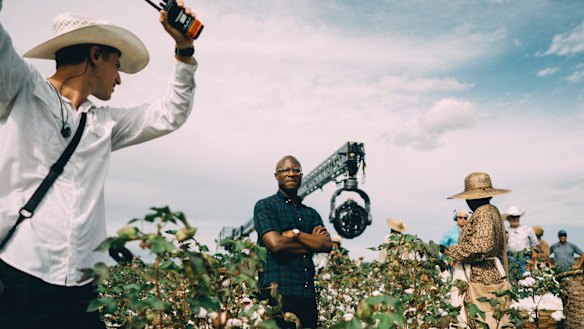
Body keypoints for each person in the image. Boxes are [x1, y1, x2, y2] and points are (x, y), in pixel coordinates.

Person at [0, 2, 199, 328]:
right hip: (21, 275)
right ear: (96, 55)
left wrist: (184, 47)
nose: (119, 78)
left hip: (83, 286)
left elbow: (169, 114)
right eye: (117, 64)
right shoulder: (21, 87)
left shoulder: (103, 124)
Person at [253, 155, 333, 329]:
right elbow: (276, 245)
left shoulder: (310, 213)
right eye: (285, 170)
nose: (291, 174)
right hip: (277, 295)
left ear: (301, 175)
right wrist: (311, 243)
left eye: (296, 170)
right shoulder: (266, 206)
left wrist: (295, 235)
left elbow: (326, 245)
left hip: (306, 295)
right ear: (276, 176)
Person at [445, 172, 511, 329]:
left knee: (482, 318)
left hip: (481, 275)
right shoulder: (492, 212)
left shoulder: (484, 213)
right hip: (490, 272)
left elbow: (482, 247)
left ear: (472, 198)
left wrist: (452, 251)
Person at [503, 206, 538, 278]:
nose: (516, 219)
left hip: (525, 259)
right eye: (513, 217)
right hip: (510, 259)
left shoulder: (527, 229)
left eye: (517, 217)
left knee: (526, 282)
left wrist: (533, 261)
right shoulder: (505, 231)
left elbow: (535, 245)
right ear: (508, 219)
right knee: (513, 282)